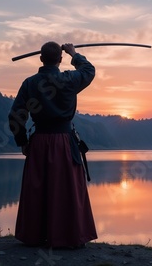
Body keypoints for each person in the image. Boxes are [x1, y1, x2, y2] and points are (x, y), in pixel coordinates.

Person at [8, 42, 97, 248]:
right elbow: (89, 70)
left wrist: (22, 141)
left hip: (39, 141)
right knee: (65, 189)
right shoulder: (69, 79)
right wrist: (74, 54)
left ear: (41, 59)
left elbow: (15, 116)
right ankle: (67, 238)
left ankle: (35, 236)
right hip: (64, 142)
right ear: (60, 59)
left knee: (38, 188)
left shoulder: (30, 83)